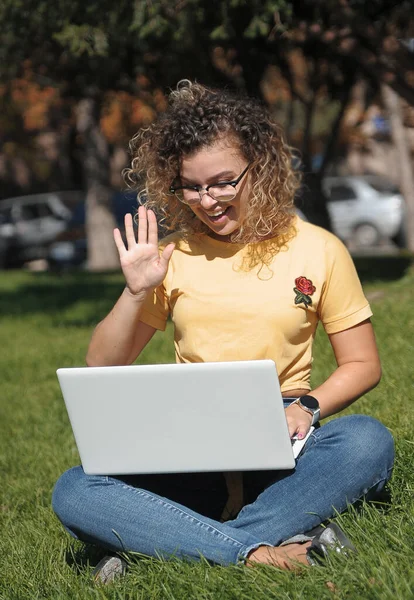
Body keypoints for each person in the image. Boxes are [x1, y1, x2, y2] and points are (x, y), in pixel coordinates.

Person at [52, 80, 394, 579]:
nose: (207, 200)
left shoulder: (320, 249)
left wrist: (308, 407)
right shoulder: (170, 256)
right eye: (191, 186)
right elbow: (102, 364)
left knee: (368, 441)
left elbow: (364, 364)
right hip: (189, 441)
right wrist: (135, 290)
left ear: (261, 168)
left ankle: (173, 541)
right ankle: (265, 552)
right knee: (75, 488)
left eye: (223, 182)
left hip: (285, 433)